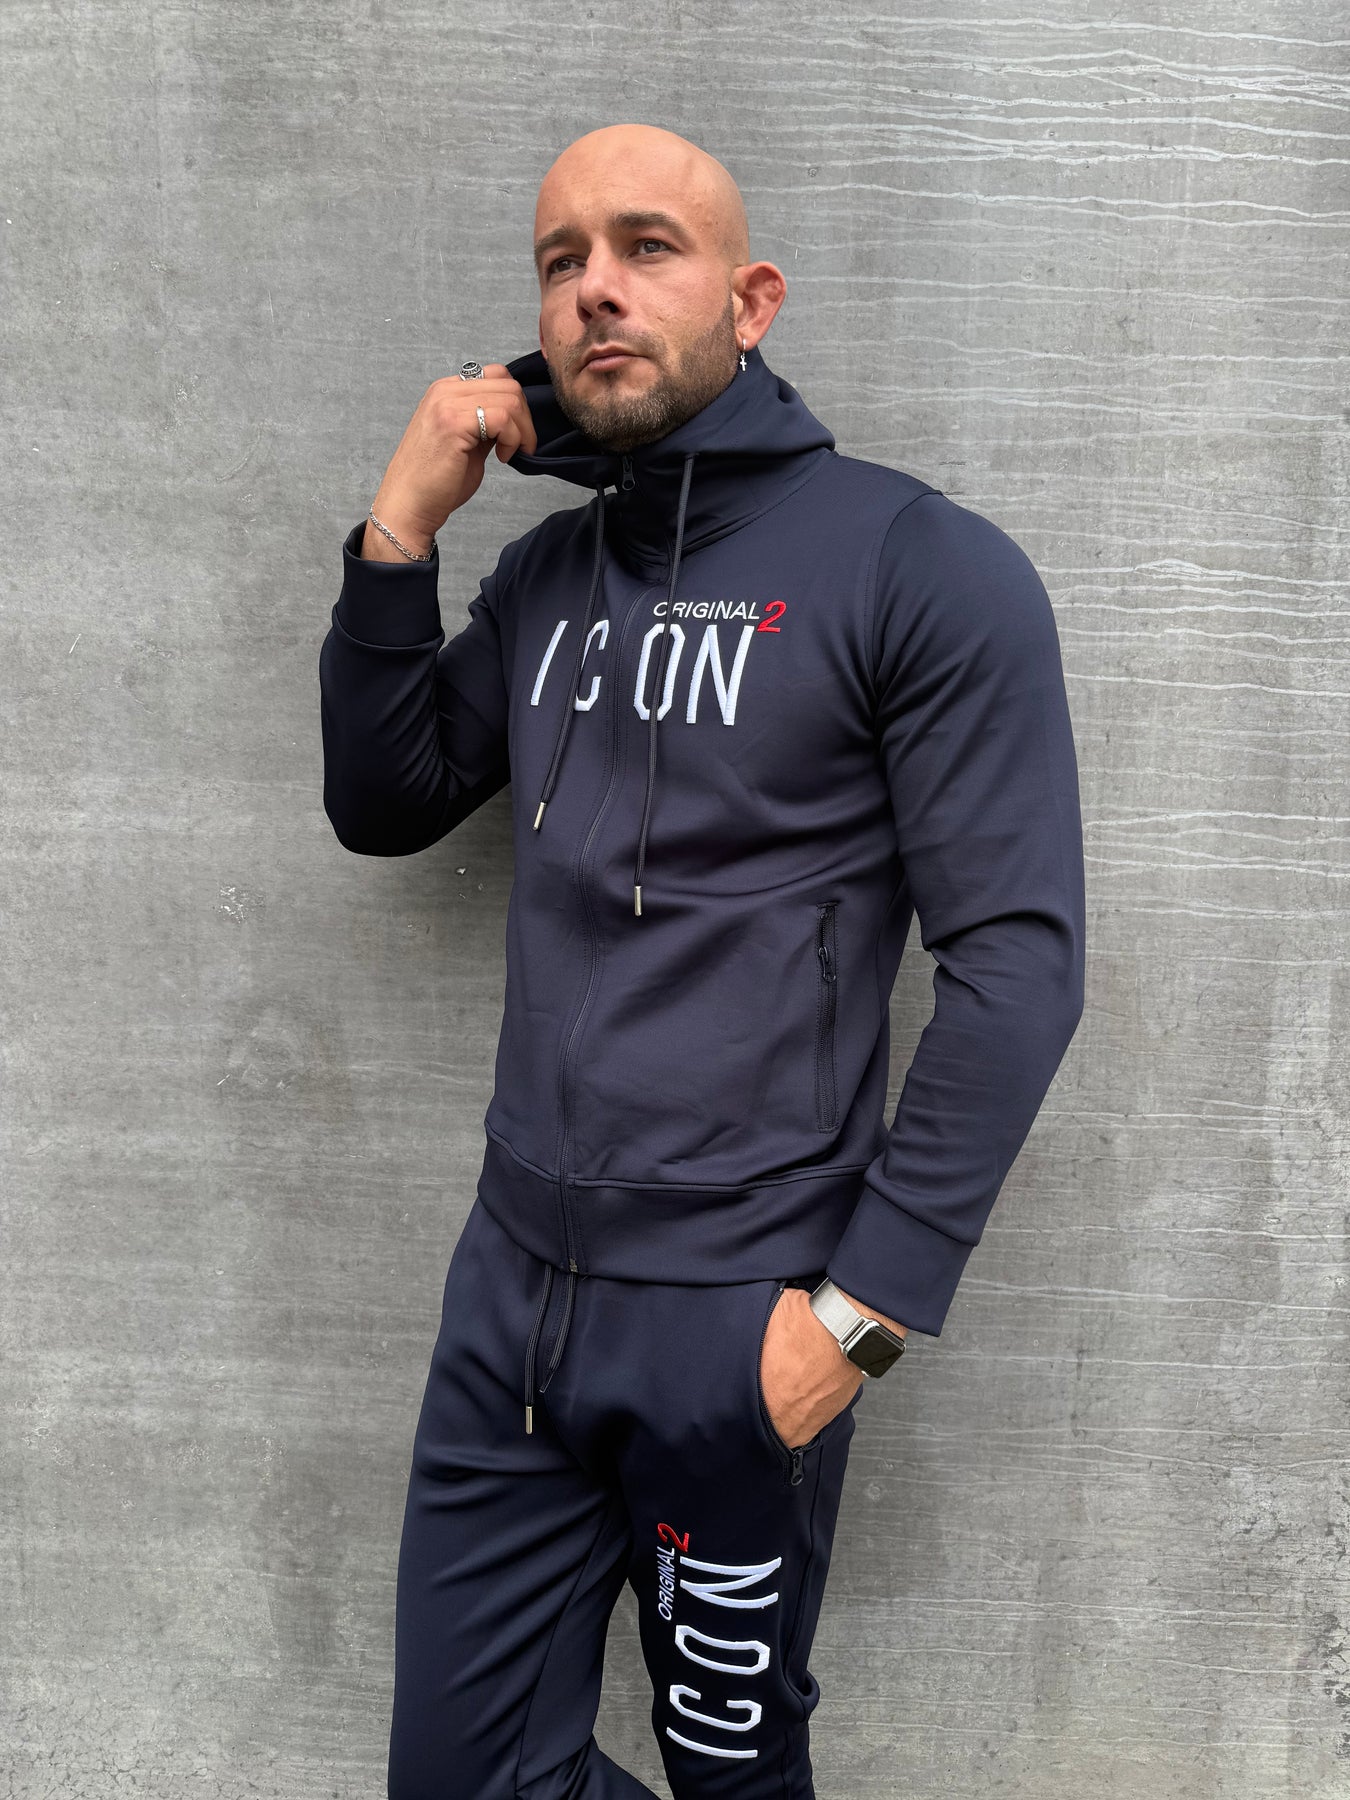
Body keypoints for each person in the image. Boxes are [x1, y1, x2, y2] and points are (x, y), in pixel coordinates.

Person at [318, 122, 1085, 1799]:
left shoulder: (915, 567)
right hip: (509, 1304)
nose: (594, 287)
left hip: (740, 1316)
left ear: (752, 299)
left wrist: (854, 1324)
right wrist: (399, 531)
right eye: (560, 261)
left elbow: (1018, 968)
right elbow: (385, 800)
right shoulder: (548, 576)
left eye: (645, 246)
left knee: (730, 1779)